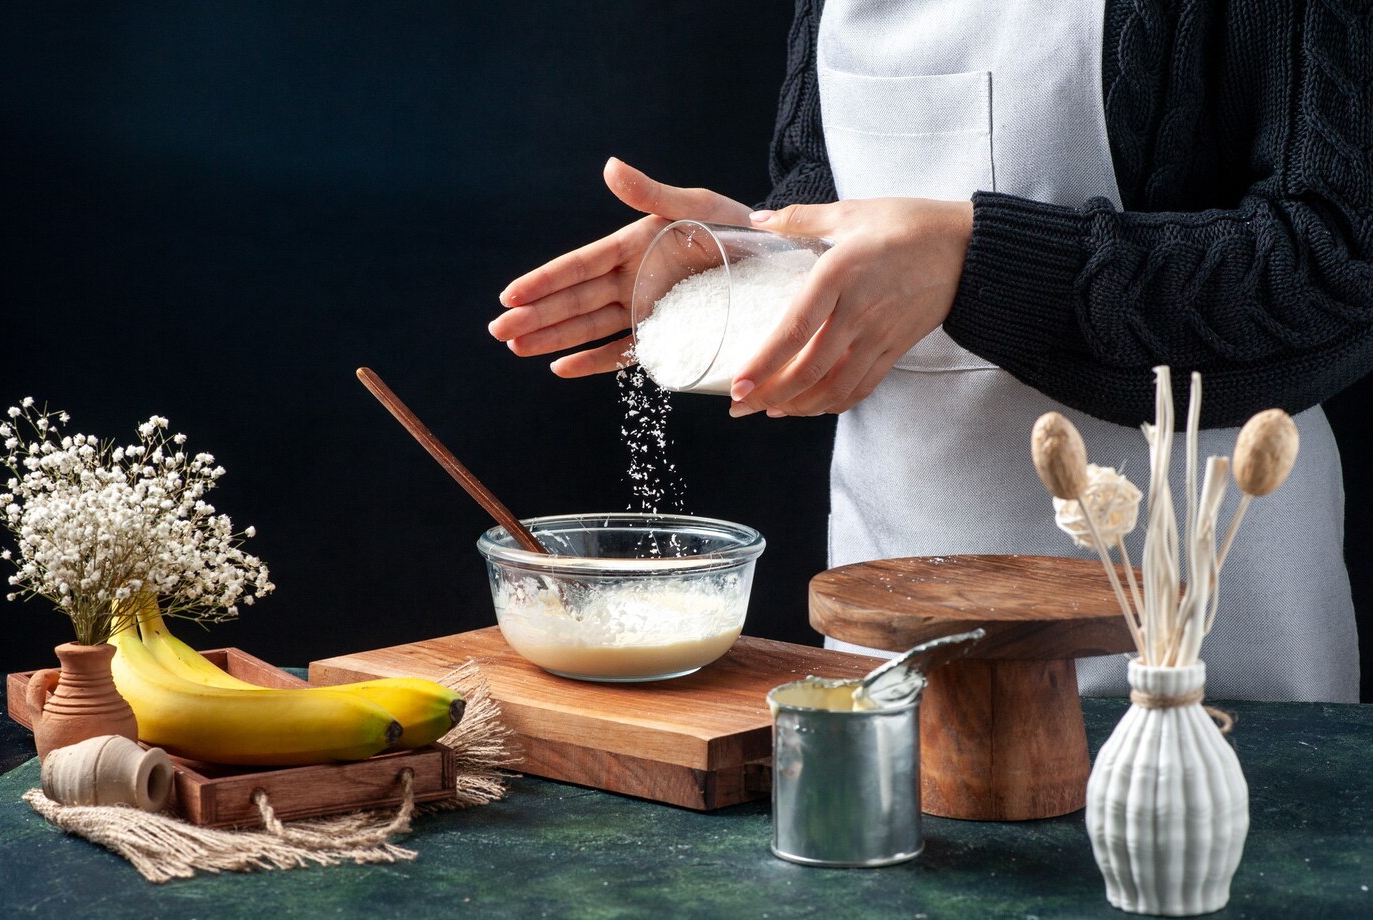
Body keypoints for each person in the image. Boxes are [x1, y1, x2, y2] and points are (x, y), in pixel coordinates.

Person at [489, 0, 1371, 702]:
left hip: (1200, 638)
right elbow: (829, 198)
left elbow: (1337, 262)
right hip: (886, 640)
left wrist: (979, 261)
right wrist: (755, 261)